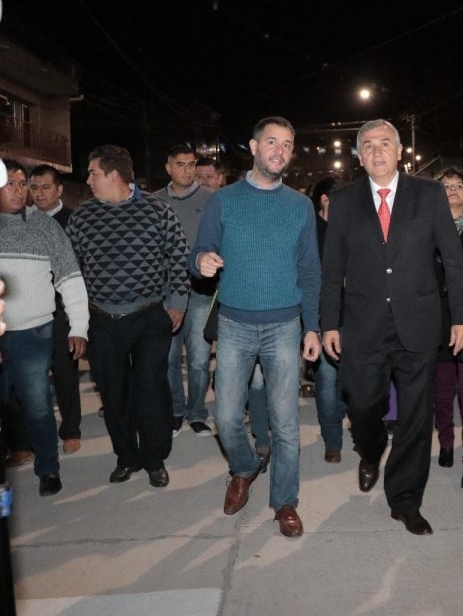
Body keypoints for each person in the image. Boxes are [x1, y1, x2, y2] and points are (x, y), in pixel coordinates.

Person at [321, 119, 463, 535]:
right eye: (367, 145)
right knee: (362, 404)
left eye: (384, 143)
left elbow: (453, 259)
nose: (376, 151)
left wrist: (462, 316)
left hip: (419, 323)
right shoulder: (344, 200)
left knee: (416, 417)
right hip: (363, 324)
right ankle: (370, 449)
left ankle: (405, 500)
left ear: (400, 150)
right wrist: (328, 324)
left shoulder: (428, 195)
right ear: (359, 155)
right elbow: (332, 268)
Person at [190, 116, 321, 538]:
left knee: (285, 423)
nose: (280, 150)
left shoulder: (299, 205)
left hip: (285, 325)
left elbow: (310, 273)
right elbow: (201, 249)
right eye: (272, 142)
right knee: (226, 416)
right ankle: (244, 467)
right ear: (253, 146)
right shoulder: (223, 200)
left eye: (287, 143)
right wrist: (203, 261)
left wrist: (313, 328)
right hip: (234, 324)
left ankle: (284, 501)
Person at [67, 145, 190, 489]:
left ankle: (155, 458)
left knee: (150, 391)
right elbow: (71, 272)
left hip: (149, 317)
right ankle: (127, 457)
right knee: (113, 393)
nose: (88, 180)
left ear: (113, 175)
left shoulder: (157, 210)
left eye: (93, 173)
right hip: (102, 321)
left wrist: (177, 304)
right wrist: (78, 319)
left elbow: (179, 258)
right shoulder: (82, 217)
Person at [0, 160, 89, 496]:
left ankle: (48, 468)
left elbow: (70, 278)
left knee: (37, 404)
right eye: (11, 183)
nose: (20, 190)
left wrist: (78, 325)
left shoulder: (46, 228)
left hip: (33, 334)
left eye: (23, 184)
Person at [154, 144, 215, 438]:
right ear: (168, 167)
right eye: (180, 164)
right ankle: (176, 411)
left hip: (201, 292)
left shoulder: (211, 200)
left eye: (191, 164)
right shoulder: (153, 202)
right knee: (168, 358)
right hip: (165, 294)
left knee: (200, 360)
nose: (187, 170)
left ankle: (197, 413)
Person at [29, 164, 84, 454]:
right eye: (34, 188)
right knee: (31, 375)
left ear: (59, 189)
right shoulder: (22, 221)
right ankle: (28, 437)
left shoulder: (73, 221)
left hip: (63, 308)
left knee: (65, 371)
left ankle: (71, 430)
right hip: (31, 308)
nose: (39, 194)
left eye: (45, 187)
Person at [433, 167, 463, 489]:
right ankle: (447, 443)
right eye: (445, 186)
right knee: (441, 393)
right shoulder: (425, 232)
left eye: (458, 185)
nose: (452, 190)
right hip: (435, 325)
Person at [308, 176, 347, 462]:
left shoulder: (352, 227)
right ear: (325, 199)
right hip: (322, 313)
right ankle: (332, 438)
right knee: (326, 377)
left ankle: (345, 417)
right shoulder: (310, 230)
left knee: (352, 378)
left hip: (355, 312)